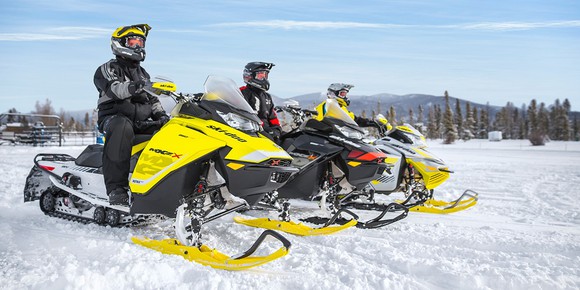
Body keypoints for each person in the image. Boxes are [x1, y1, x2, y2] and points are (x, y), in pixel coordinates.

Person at [93, 24, 169, 205]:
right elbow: (115, 89)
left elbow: (153, 101)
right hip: (114, 118)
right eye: (133, 41)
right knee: (122, 126)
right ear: (120, 43)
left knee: (172, 130)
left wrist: (161, 116)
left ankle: (163, 183)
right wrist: (136, 86)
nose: (138, 46)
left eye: (141, 42)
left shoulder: (143, 73)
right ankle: (116, 189)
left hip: (140, 121)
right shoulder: (108, 68)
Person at [315, 83, 392, 130]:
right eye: (342, 94)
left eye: (345, 94)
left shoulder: (341, 108)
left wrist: (372, 122)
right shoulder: (326, 105)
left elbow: (354, 119)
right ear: (333, 93)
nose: (345, 96)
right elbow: (316, 118)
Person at [239, 62, 282, 142]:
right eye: (260, 75)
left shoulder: (267, 97)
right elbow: (243, 115)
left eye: (265, 75)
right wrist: (265, 129)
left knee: (292, 140)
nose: (264, 78)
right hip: (253, 130)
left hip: (268, 130)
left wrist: (277, 129)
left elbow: (273, 116)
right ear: (250, 76)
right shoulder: (242, 92)